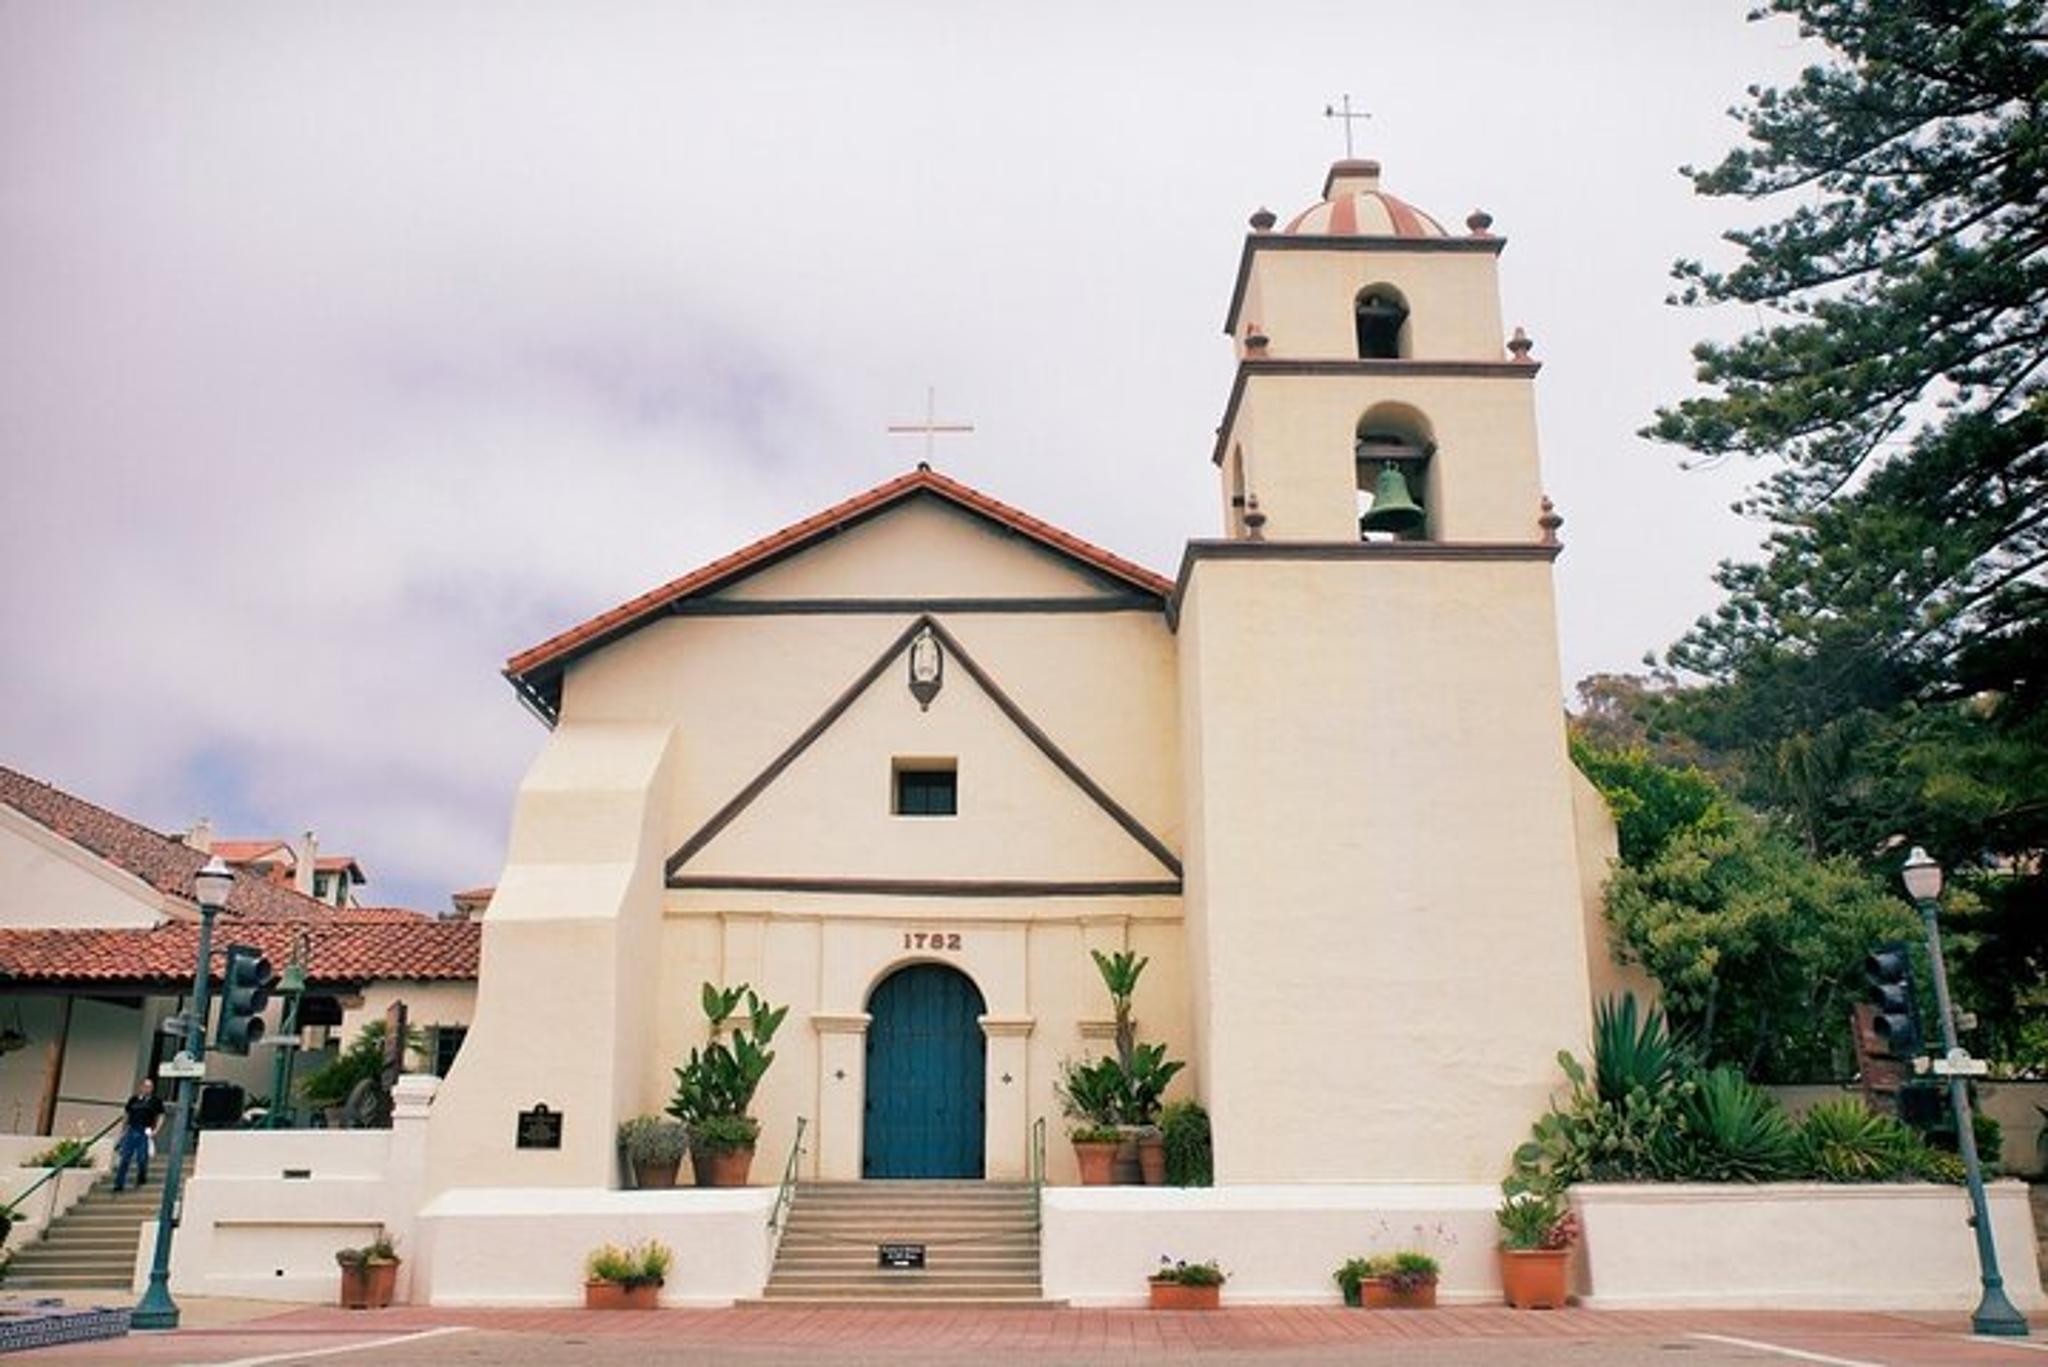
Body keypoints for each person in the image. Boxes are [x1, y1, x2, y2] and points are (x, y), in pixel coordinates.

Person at [112, 1077, 164, 1192]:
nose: (148, 1089)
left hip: (145, 1130)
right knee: (125, 1157)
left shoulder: (155, 1101)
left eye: (150, 1087)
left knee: (142, 1157)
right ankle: (119, 1184)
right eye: (146, 1086)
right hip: (132, 1129)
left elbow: (160, 1116)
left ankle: (142, 1176)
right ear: (141, 1087)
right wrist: (123, 1130)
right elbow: (127, 1114)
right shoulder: (133, 1100)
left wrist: (156, 1130)